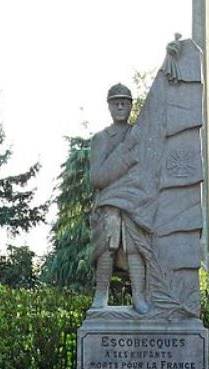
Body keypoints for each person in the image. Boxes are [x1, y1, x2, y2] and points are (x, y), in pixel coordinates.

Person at [88, 83, 151, 314]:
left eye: (125, 102)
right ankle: (101, 295)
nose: (121, 106)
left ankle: (139, 298)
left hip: (136, 201)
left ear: (132, 105)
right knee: (108, 246)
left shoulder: (141, 135)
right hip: (110, 203)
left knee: (136, 247)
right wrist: (126, 154)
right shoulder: (101, 139)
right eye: (116, 103)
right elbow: (98, 178)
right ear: (109, 106)